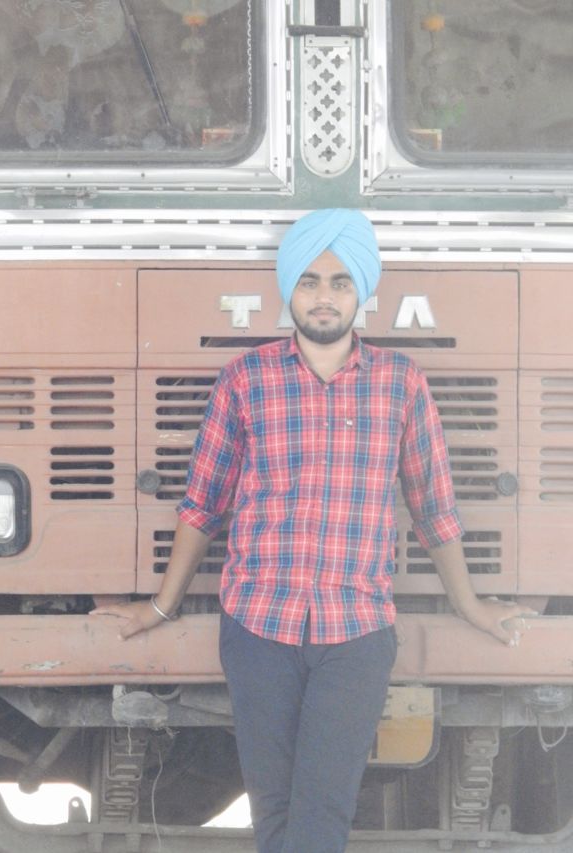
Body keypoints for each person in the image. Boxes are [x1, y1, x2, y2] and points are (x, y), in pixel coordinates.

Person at [93, 208, 531, 853]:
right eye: (310, 281)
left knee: (323, 811)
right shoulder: (246, 380)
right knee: (272, 810)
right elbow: (203, 504)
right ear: (290, 289)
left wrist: (471, 606)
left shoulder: (401, 384)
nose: (324, 296)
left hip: (356, 631)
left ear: (360, 294)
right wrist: (160, 606)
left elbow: (434, 508)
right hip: (256, 628)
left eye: (339, 282)